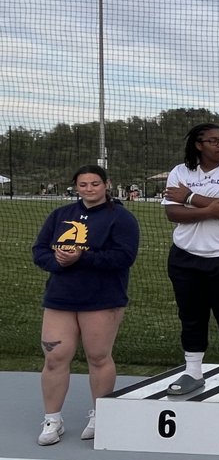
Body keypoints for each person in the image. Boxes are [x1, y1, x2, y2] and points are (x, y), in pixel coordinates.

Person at [32, 165, 140, 445]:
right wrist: (56, 261)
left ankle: (101, 415)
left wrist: (82, 258)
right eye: (83, 185)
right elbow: (39, 250)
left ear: (107, 185)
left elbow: (123, 257)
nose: (89, 189)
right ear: (75, 187)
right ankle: (52, 419)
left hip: (102, 299)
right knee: (55, 358)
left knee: (98, 357)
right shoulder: (60, 215)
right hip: (60, 298)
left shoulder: (122, 219)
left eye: (94, 184)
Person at [162, 123, 219, 401]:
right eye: (213, 141)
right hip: (185, 255)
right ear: (198, 145)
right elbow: (173, 213)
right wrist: (209, 208)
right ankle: (193, 371)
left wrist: (189, 197)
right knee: (190, 315)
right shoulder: (180, 172)